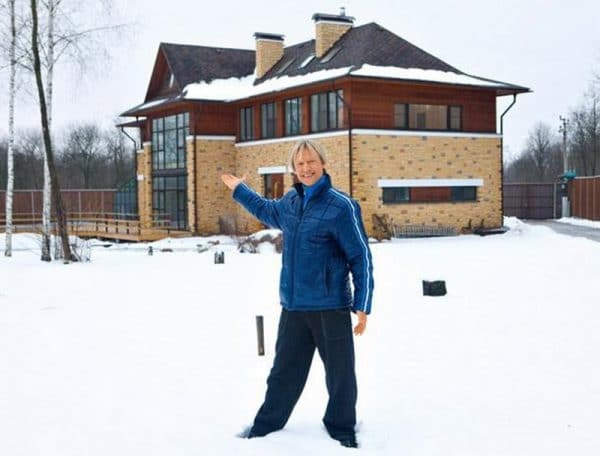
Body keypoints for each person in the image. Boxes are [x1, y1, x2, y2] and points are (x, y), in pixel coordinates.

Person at [221, 139, 374, 449]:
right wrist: (240, 190)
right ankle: (266, 426)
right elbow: (265, 208)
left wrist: (362, 304)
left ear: (323, 164)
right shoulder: (291, 202)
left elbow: (360, 256)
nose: (306, 168)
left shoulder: (341, 206)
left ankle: (341, 428)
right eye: (300, 164)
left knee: (340, 375)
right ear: (294, 169)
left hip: (330, 306)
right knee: (283, 374)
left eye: (311, 162)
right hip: (294, 306)